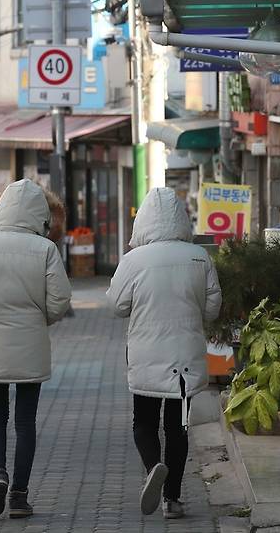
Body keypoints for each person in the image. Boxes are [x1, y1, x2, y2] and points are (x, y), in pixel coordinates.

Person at [107, 187, 222, 520]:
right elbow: (213, 308)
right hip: (185, 360)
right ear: (181, 219)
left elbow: (116, 306)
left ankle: (152, 466)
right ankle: (172, 499)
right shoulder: (199, 257)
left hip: (145, 355)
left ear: (143, 222)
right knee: (179, 428)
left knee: (143, 422)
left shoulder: (133, 260)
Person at [0, 179, 71, 519]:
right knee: (25, 422)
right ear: (40, 214)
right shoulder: (46, 250)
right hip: (31, 345)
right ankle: (20, 496)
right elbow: (60, 300)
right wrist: (42, 319)